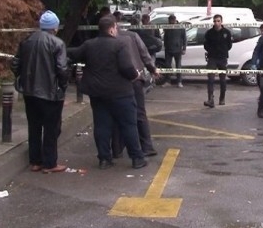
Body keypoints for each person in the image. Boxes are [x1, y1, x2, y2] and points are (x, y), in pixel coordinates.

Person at [67, 15, 148, 170]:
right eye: (116, 28)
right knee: (128, 125)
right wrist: (135, 75)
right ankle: (137, 158)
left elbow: (74, 54)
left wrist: (58, 48)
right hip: (120, 92)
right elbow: (126, 67)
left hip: (97, 93)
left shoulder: (89, 45)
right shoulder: (119, 45)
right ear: (112, 29)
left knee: (101, 125)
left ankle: (104, 159)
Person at [11, 10, 69, 173]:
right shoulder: (57, 44)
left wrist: (23, 79)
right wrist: (62, 86)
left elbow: (15, 64)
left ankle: (35, 161)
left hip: (30, 92)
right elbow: (62, 69)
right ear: (55, 28)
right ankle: (50, 163)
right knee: (52, 128)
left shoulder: (26, 41)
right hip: (51, 93)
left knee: (34, 126)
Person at [115, 22, 160, 158]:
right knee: (139, 112)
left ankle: (117, 149)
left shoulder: (108, 39)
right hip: (136, 79)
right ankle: (147, 146)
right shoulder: (133, 36)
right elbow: (144, 55)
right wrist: (152, 69)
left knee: (117, 114)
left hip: (118, 80)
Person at [203, 14, 232, 108]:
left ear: (221, 22)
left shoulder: (226, 32)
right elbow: (205, 45)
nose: (216, 23)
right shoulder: (209, 33)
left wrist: (223, 51)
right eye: (215, 21)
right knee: (210, 79)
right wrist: (211, 51)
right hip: (212, 58)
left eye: (218, 21)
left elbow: (229, 45)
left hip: (222, 58)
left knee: (223, 80)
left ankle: (222, 98)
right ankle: (210, 99)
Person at [162, 15, 187, 87]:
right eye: (169, 21)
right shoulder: (167, 27)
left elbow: (184, 38)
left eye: (171, 21)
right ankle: (167, 81)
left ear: (175, 20)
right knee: (167, 66)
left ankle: (179, 81)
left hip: (178, 49)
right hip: (168, 49)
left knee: (178, 66)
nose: (170, 23)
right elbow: (165, 37)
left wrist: (184, 48)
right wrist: (165, 46)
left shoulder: (180, 27)